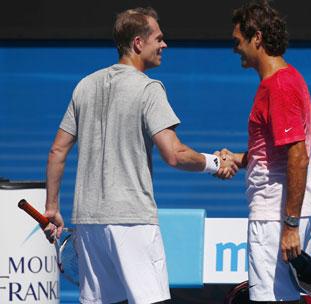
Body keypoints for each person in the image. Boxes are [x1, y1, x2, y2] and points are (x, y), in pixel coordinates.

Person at [44, 7, 237, 304]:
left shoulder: (84, 86)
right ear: (137, 43)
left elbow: (58, 150)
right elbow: (174, 154)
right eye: (158, 38)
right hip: (131, 220)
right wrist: (215, 163)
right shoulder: (150, 89)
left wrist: (52, 206)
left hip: (88, 222)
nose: (164, 45)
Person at [216, 1, 311, 303]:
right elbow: (277, 150)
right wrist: (240, 158)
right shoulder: (289, 80)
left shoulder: (278, 86)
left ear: (257, 38)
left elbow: (297, 155)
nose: (236, 48)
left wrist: (290, 226)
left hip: (276, 216)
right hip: (284, 214)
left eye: (238, 40)